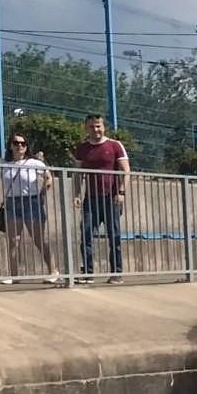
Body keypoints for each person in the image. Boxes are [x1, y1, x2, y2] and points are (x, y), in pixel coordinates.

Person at [74, 114, 129, 281]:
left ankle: (116, 273)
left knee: (115, 236)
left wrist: (121, 193)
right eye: (91, 126)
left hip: (111, 199)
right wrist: (76, 194)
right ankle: (88, 273)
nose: (95, 129)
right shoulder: (82, 148)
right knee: (86, 235)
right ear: (86, 127)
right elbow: (77, 174)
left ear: (103, 127)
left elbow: (126, 170)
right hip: (90, 199)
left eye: (98, 126)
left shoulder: (114, 145)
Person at [0, 133, 53, 282]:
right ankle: (15, 276)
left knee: (39, 239)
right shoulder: (4, 163)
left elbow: (48, 177)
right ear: (10, 145)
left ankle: (53, 271)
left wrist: (42, 192)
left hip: (32, 202)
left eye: (23, 144)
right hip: (11, 202)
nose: (20, 146)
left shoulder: (34, 163)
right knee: (13, 241)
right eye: (16, 143)